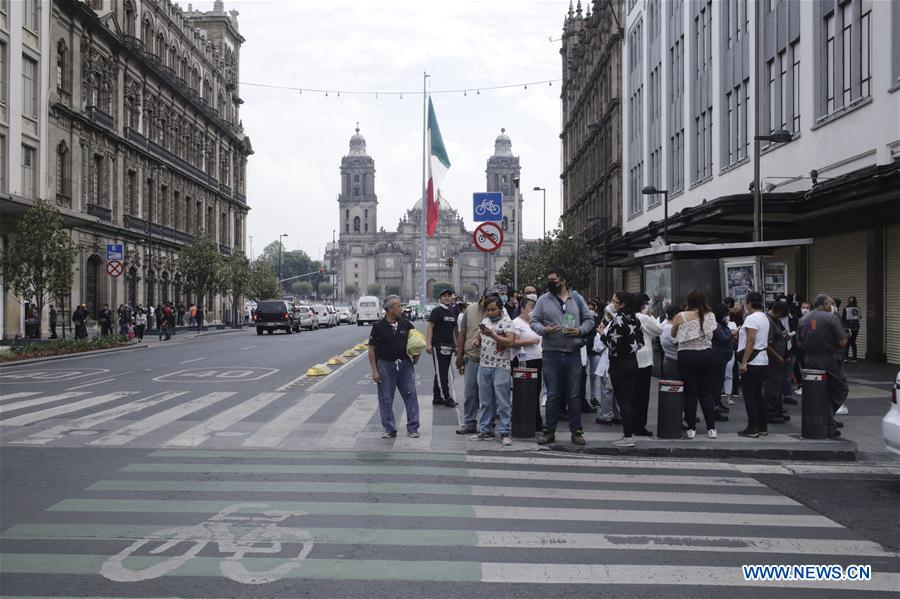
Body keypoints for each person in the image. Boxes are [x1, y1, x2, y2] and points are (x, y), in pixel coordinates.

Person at [530, 267, 595, 446]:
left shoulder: (577, 299)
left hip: (573, 353)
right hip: (551, 353)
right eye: (549, 279)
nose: (551, 283)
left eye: (555, 280)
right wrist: (544, 330)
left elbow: (589, 320)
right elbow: (533, 321)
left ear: (564, 281)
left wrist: (579, 331)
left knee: (574, 394)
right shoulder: (543, 300)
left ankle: (576, 431)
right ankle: (549, 431)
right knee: (552, 394)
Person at [368, 295, 420, 439]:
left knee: (411, 395)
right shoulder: (378, 326)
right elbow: (371, 349)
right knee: (386, 398)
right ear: (390, 309)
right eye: (398, 306)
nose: (401, 308)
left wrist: (416, 357)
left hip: (405, 364)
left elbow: (416, 342)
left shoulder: (406, 324)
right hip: (385, 365)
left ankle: (413, 427)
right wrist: (374, 370)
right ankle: (390, 428)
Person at [797, 294, 848, 438]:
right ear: (825, 304)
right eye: (831, 303)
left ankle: (828, 422)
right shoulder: (831, 318)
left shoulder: (804, 319)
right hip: (829, 360)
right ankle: (828, 417)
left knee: (817, 392)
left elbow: (799, 343)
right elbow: (842, 342)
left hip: (809, 360)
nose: (832, 306)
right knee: (840, 389)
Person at [671, 289, 719, 439]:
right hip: (707, 355)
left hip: (686, 355)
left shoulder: (681, 316)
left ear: (688, 301)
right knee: (706, 393)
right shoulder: (710, 316)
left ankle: (691, 428)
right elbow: (712, 335)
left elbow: (673, 334)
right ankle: (711, 428)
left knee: (690, 393)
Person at [471, 295, 517, 445]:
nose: (490, 312)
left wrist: (493, 335)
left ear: (500, 308)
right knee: (485, 401)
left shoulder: (507, 323)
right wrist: (476, 340)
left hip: (501, 366)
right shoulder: (485, 321)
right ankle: (485, 430)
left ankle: (505, 432)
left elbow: (510, 341)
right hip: (484, 365)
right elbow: (478, 335)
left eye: (493, 309)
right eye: (487, 310)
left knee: (503, 402)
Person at [602, 291, 644, 447]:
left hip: (619, 363)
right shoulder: (635, 318)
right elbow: (640, 343)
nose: (612, 303)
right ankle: (629, 434)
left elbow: (613, 345)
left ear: (622, 304)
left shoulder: (618, 320)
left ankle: (627, 437)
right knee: (629, 399)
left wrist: (602, 335)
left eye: (614, 301)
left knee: (623, 400)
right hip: (633, 361)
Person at [455, 291, 492, 435]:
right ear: (482, 297)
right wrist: (459, 357)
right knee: (470, 393)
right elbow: (462, 334)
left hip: (489, 359)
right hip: (471, 357)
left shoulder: (500, 311)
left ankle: (488, 425)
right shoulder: (470, 310)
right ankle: (469, 423)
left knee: (488, 396)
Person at [737, 292, 770, 438]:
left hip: (752, 362)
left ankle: (753, 427)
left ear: (749, 304)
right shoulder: (764, 317)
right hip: (762, 360)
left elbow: (751, 340)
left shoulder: (751, 318)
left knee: (749, 395)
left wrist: (744, 362)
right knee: (757, 395)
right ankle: (762, 426)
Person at [511, 294, 544, 432]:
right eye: (531, 307)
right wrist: (529, 342)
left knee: (536, 391)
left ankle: (536, 420)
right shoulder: (516, 323)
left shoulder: (535, 323)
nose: (534, 310)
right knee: (525, 392)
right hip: (524, 361)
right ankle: (525, 420)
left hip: (538, 360)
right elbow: (513, 342)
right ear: (523, 308)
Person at [634, 293, 662, 436]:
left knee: (632, 394)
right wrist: (650, 315)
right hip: (644, 359)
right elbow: (658, 330)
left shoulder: (629, 316)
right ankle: (640, 425)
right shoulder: (644, 318)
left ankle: (632, 424)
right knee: (642, 396)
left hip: (632, 359)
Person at [426, 288, 459, 408]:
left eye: (449, 295)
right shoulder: (436, 311)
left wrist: (456, 345)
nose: (447, 297)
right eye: (444, 296)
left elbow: (453, 331)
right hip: (438, 346)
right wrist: (428, 343)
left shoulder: (452, 312)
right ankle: (447, 397)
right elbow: (430, 327)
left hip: (449, 346)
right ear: (440, 298)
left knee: (441, 372)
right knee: (442, 372)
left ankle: (437, 397)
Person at [764, 300, 791, 424]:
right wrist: (778, 357)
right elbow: (768, 344)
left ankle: (777, 411)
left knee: (778, 386)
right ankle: (770, 413)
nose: (782, 318)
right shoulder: (768, 321)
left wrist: (783, 335)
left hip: (780, 358)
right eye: (782, 315)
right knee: (772, 386)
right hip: (773, 360)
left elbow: (777, 337)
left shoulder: (776, 321)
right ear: (778, 312)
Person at [711, 304, 735, 422]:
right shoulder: (716, 325)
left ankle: (716, 406)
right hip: (717, 358)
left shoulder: (722, 325)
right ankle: (714, 410)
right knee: (715, 385)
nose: (727, 316)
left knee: (718, 383)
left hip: (722, 358)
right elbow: (724, 339)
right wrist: (733, 335)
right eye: (726, 314)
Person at [659, 304, 680, 379]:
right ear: (675, 316)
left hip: (672, 360)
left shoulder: (666, 325)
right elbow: (679, 343)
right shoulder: (668, 328)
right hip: (672, 361)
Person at [841, 296, 861, 362]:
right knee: (853, 342)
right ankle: (854, 357)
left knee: (847, 343)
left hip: (848, 327)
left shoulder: (846, 308)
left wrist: (845, 326)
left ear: (848, 301)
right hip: (856, 327)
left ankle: (846, 357)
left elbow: (843, 318)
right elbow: (859, 317)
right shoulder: (858, 308)